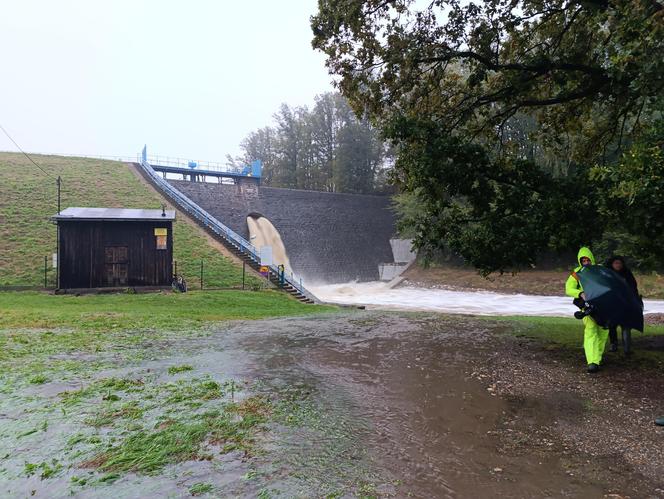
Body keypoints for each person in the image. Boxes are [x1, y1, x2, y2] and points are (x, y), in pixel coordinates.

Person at [566, 247, 608, 373]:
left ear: (591, 259)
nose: (585, 262)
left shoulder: (600, 270)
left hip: (603, 305)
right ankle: (592, 362)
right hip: (587, 306)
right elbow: (568, 288)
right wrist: (580, 293)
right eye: (583, 260)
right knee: (590, 332)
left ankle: (597, 358)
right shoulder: (577, 272)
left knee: (603, 332)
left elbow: (610, 283)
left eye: (587, 259)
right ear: (580, 261)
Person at [604, 255, 640, 354]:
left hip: (626, 303)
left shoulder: (627, 273)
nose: (618, 265)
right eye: (616, 263)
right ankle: (613, 345)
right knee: (612, 325)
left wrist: (635, 300)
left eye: (620, 263)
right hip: (612, 304)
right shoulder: (607, 274)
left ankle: (627, 348)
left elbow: (633, 287)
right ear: (612, 264)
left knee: (626, 325)